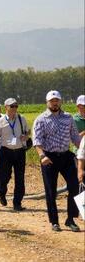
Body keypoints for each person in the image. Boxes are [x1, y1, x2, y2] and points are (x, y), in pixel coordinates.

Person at [33, 90, 82, 232]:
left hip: (66, 156)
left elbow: (75, 138)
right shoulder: (41, 119)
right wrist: (42, 155)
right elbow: (37, 141)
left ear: (60, 101)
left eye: (57, 100)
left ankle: (70, 219)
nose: (55, 103)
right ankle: (54, 221)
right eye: (52, 100)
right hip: (49, 158)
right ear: (47, 102)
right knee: (51, 190)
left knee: (74, 187)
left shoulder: (68, 118)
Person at [0, 98, 29, 211]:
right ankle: (2, 192)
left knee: (20, 178)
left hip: (19, 151)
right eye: (11, 106)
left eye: (16, 106)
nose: (14, 108)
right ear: (6, 107)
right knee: (5, 176)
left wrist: (26, 136)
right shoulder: (0, 121)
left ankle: (17, 203)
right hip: (5, 152)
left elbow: (27, 131)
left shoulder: (21, 118)